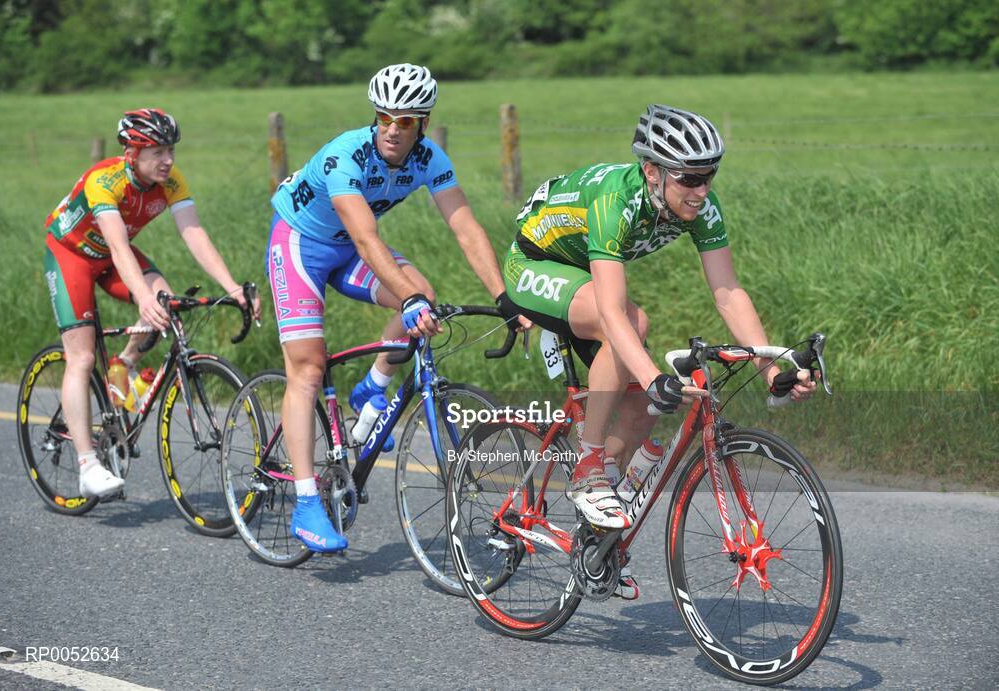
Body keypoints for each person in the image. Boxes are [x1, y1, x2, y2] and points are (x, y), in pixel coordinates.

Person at [501, 104, 817, 598]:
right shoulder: (616, 199)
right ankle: (586, 467)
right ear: (652, 171)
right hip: (533, 266)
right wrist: (652, 374)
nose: (702, 189)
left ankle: (598, 536)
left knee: (647, 402)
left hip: (582, 277)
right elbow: (610, 310)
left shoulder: (699, 206)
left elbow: (728, 292)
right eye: (690, 177)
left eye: (710, 175)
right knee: (632, 326)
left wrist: (769, 366)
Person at [268, 63, 530, 553]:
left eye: (405, 121)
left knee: (424, 298)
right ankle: (306, 502)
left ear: (423, 124)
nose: (392, 129)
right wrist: (405, 297)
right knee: (307, 368)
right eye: (385, 117)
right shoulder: (345, 156)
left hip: (349, 246)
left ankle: (373, 387)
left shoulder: (430, 158)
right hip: (301, 244)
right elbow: (368, 238)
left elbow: (466, 228)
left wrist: (504, 297)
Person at [44, 108, 261, 499]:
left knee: (167, 304)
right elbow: (118, 244)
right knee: (81, 358)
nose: (169, 160)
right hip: (71, 256)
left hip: (111, 259)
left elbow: (194, 233)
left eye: (171, 150)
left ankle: (123, 365)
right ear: (132, 153)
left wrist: (231, 287)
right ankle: (87, 465)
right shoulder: (104, 180)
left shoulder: (171, 181)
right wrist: (142, 298)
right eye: (158, 151)